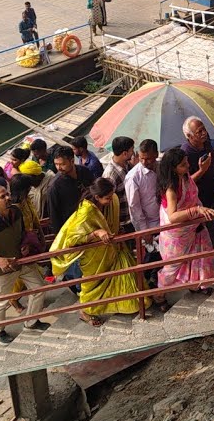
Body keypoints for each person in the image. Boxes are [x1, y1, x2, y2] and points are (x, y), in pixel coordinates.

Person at [50, 179, 157, 325]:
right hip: (94, 256)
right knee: (92, 285)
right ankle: (85, 311)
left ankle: (125, 304)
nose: (111, 200)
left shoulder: (107, 202)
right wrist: (96, 233)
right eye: (107, 198)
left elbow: (110, 220)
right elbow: (72, 239)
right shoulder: (85, 211)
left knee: (125, 275)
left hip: (112, 249)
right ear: (97, 197)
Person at [0, 186, 50, 344]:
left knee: (39, 288)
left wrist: (25, 244)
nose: (7, 198)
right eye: (2, 196)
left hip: (21, 261)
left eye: (7, 194)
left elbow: (21, 233)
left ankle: (31, 322)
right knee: (0, 303)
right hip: (2, 270)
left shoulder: (16, 212)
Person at [157, 148, 214, 294]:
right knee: (173, 267)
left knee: (201, 253)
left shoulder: (183, 177)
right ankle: (159, 294)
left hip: (194, 226)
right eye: (183, 165)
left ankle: (199, 284)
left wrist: (203, 170)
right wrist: (196, 210)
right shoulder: (171, 189)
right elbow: (172, 217)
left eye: (187, 163)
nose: (188, 166)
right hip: (178, 234)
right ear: (173, 168)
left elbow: (190, 183)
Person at [124, 139, 164, 282]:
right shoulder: (133, 177)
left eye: (148, 158)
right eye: (141, 158)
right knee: (152, 256)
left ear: (156, 155)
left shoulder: (161, 168)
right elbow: (134, 207)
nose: (144, 162)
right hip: (149, 224)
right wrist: (144, 230)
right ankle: (146, 283)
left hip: (164, 218)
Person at [181, 117, 214, 215]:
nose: (204, 133)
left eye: (204, 129)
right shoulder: (185, 153)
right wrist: (202, 170)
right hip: (199, 201)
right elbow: (184, 183)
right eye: (199, 131)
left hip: (213, 192)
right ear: (189, 136)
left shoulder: (205, 140)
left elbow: (212, 152)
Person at [46, 145, 94, 236]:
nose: (59, 168)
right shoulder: (54, 187)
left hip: (91, 221)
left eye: (62, 164)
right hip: (73, 230)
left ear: (72, 161)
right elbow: (54, 216)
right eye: (56, 164)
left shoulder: (84, 171)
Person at [103, 136, 135, 228]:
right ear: (125, 153)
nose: (133, 153)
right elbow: (106, 203)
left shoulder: (127, 165)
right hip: (123, 223)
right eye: (132, 150)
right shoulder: (110, 175)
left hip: (132, 217)